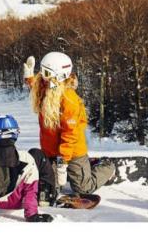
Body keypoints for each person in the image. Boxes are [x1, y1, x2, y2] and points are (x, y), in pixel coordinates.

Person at [23, 52, 115, 199]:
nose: (43, 77)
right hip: (51, 152)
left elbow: (70, 135)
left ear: (59, 76)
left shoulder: (69, 101)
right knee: (50, 190)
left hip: (72, 152)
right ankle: (80, 167)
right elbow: (37, 86)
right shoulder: (50, 87)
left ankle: (107, 166)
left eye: (46, 73)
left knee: (83, 189)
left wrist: (62, 162)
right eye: (42, 71)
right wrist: (29, 76)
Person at [0, 115, 53, 222]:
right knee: (37, 153)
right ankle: (47, 194)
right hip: (20, 202)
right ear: (15, 133)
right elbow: (30, 190)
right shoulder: (26, 159)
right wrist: (32, 215)